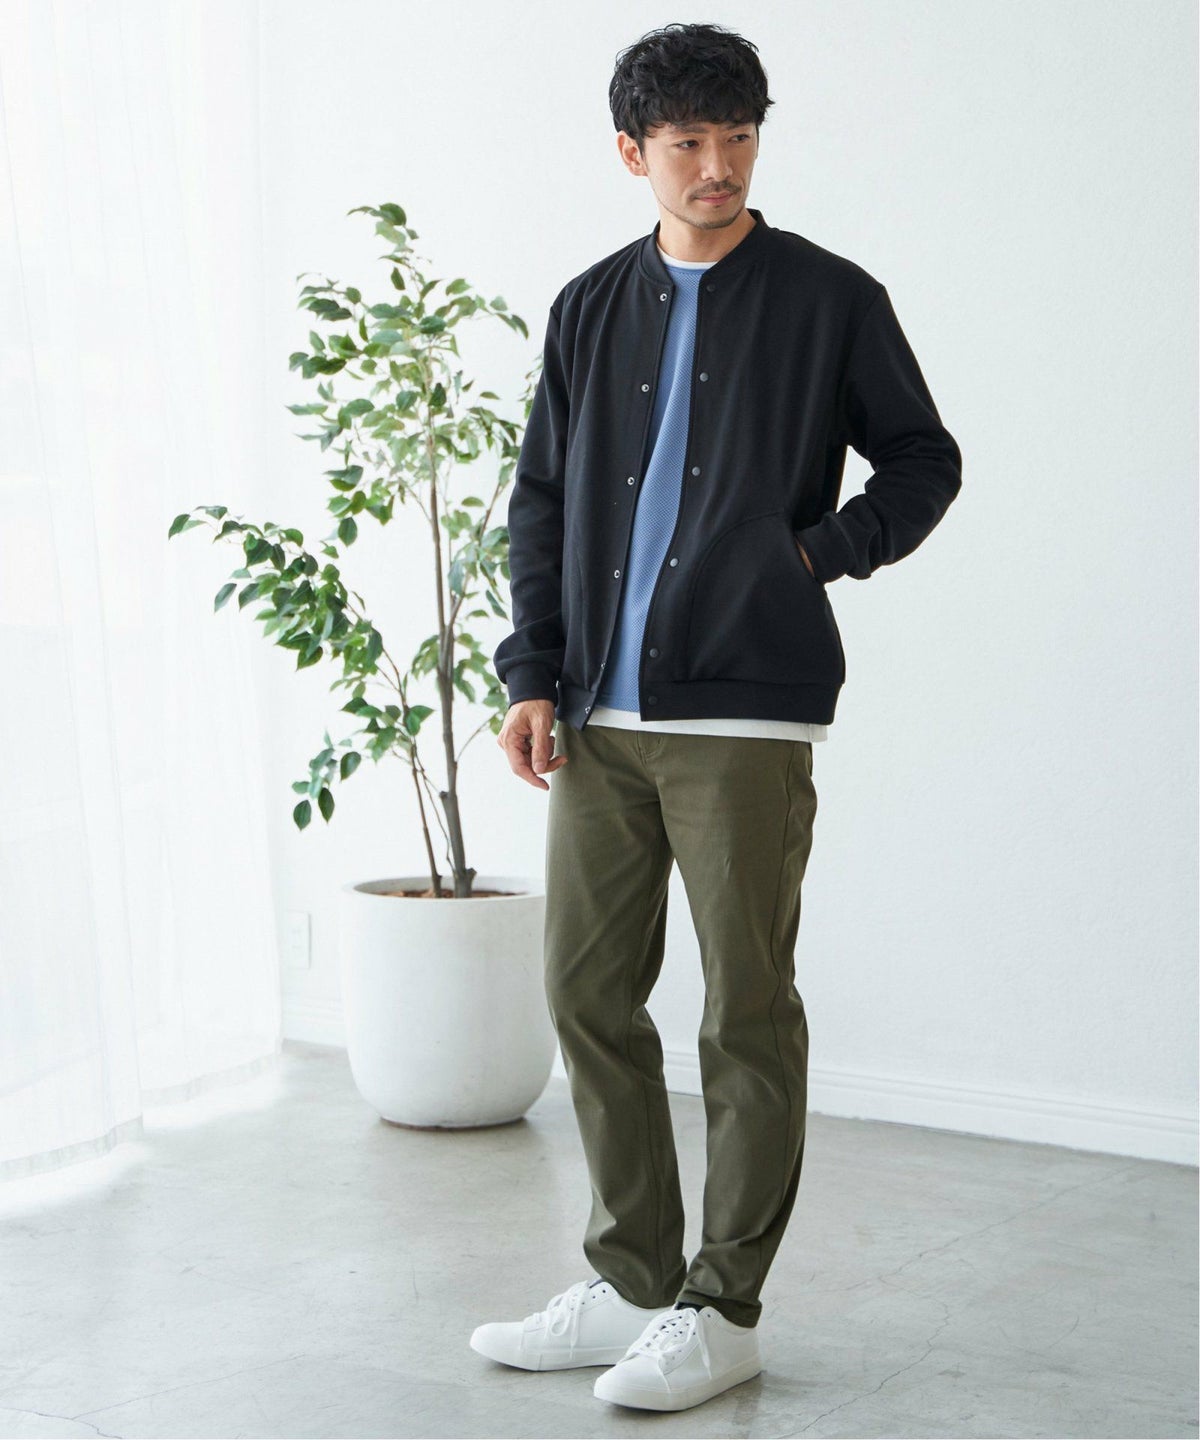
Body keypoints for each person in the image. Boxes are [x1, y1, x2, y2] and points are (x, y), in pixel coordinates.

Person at [473, 20, 963, 1415]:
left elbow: (923, 460)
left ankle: (723, 1306)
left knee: (744, 1010)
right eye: (687, 142)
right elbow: (542, 501)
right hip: (598, 716)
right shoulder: (588, 306)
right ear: (632, 152)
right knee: (585, 993)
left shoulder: (829, 298)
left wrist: (812, 556)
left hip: (744, 716)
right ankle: (633, 1279)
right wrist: (531, 671)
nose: (717, 166)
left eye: (738, 137)